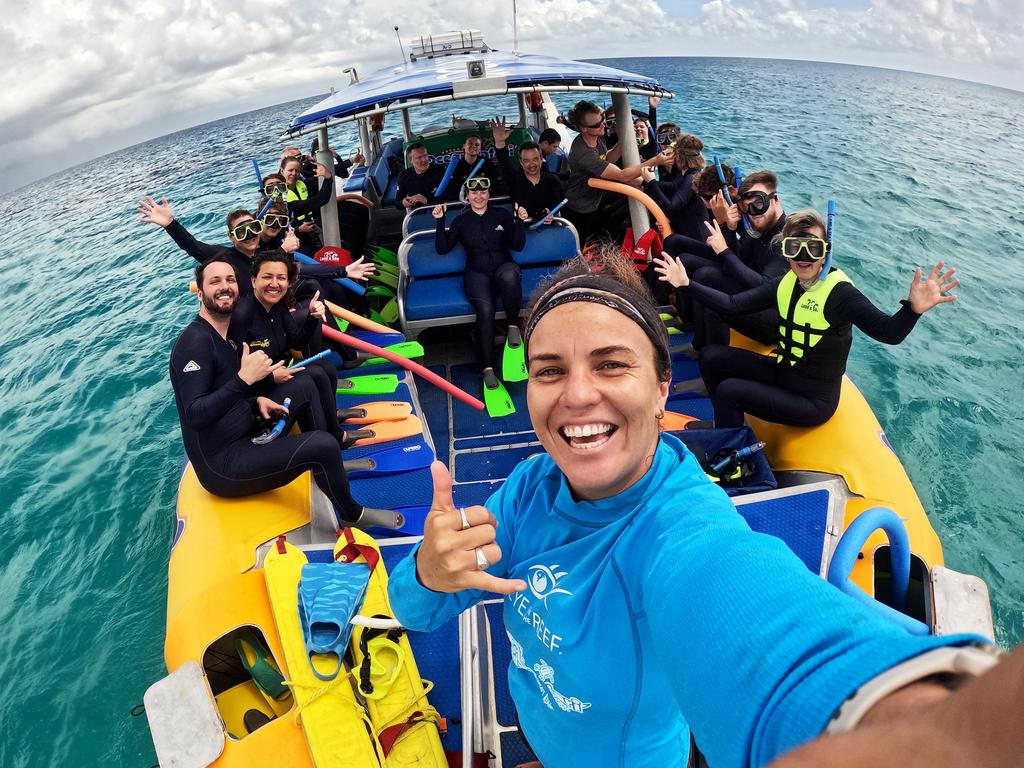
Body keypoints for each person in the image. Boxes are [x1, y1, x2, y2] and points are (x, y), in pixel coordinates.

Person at [387, 248, 999, 768]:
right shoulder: (528, 485)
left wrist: (916, 719)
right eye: (550, 370)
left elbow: (754, 620)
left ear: (660, 389)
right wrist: (425, 572)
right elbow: (414, 610)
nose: (576, 394)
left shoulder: (680, 525)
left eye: (611, 365)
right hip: (545, 741)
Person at [653, 210, 960, 427]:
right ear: (785, 252)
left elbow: (889, 332)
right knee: (711, 355)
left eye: (811, 248)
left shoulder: (840, 295)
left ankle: (730, 455)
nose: (802, 257)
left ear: (825, 252)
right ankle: (726, 418)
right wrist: (687, 284)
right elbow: (733, 304)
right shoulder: (785, 283)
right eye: (793, 247)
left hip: (812, 399)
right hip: (782, 371)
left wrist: (913, 310)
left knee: (730, 390)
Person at [169, 256, 402, 529]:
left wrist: (256, 399)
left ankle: (328, 466)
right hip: (224, 466)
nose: (225, 287)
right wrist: (244, 381)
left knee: (305, 383)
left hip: (244, 430)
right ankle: (352, 514)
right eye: (215, 281)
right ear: (199, 291)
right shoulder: (194, 344)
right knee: (322, 445)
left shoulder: (226, 336)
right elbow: (196, 414)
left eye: (230, 279)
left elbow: (226, 387)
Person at [229, 250, 362, 450]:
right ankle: (323, 447)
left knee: (325, 367)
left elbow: (297, 342)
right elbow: (232, 370)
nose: (274, 284)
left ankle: (334, 430)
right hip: (255, 395)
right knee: (313, 376)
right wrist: (271, 377)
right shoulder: (241, 316)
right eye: (267, 277)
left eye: (281, 278)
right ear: (253, 280)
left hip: (274, 378)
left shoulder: (277, 307)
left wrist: (311, 317)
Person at [433, 179, 527, 388]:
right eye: (474, 193)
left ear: (488, 193)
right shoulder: (461, 221)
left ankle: (513, 326)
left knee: (510, 275)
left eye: (483, 192)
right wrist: (440, 221)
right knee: (485, 311)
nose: (479, 196)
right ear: (467, 196)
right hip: (477, 273)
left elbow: (518, 245)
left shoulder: (501, 214)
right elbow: (442, 248)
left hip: (504, 267)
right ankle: (488, 368)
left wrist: (519, 221)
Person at [562, 100, 666, 244]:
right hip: (581, 206)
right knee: (580, 243)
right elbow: (622, 176)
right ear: (583, 128)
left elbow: (607, 158)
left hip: (594, 198)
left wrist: (624, 142)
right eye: (597, 124)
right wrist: (655, 161)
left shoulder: (596, 137)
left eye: (602, 120)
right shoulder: (584, 154)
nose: (603, 125)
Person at [138, 198, 263, 295]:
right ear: (231, 236)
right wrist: (170, 225)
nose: (249, 235)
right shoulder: (224, 257)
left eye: (253, 228)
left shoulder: (265, 255)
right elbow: (194, 248)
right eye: (241, 232)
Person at [490, 119, 564, 222]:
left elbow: (558, 200)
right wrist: (499, 142)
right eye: (526, 160)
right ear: (521, 162)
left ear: (540, 159)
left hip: (549, 228)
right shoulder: (514, 180)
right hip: (523, 229)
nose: (531, 164)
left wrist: (549, 211)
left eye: (535, 159)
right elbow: (504, 163)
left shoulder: (552, 180)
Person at [639, 133, 708, 241]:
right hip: (686, 234)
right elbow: (672, 186)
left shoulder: (692, 178)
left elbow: (671, 208)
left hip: (696, 240)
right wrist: (644, 181)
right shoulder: (688, 173)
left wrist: (651, 182)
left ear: (678, 156)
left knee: (670, 243)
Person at [280, 154, 334, 253]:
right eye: (290, 170)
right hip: (294, 238)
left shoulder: (302, 184)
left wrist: (327, 173)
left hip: (312, 230)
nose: (294, 173)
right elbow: (321, 199)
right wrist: (298, 229)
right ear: (282, 171)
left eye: (297, 170)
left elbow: (321, 180)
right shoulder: (281, 197)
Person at [443, 133, 499, 202]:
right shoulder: (456, 166)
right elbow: (452, 188)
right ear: (464, 146)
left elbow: (494, 184)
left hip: (484, 201)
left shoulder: (487, 163)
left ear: (480, 148)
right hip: (462, 202)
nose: (473, 146)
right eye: (470, 144)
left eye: (477, 145)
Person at [395, 142, 444, 211]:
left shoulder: (439, 170)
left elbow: (451, 196)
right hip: (418, 213)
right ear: (411, 160)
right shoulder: (404, 175)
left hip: (440, 210)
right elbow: (397, 204)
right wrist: (403, 203)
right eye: (419, 157)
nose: (424, 160)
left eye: (425, 155)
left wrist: (426, 200)